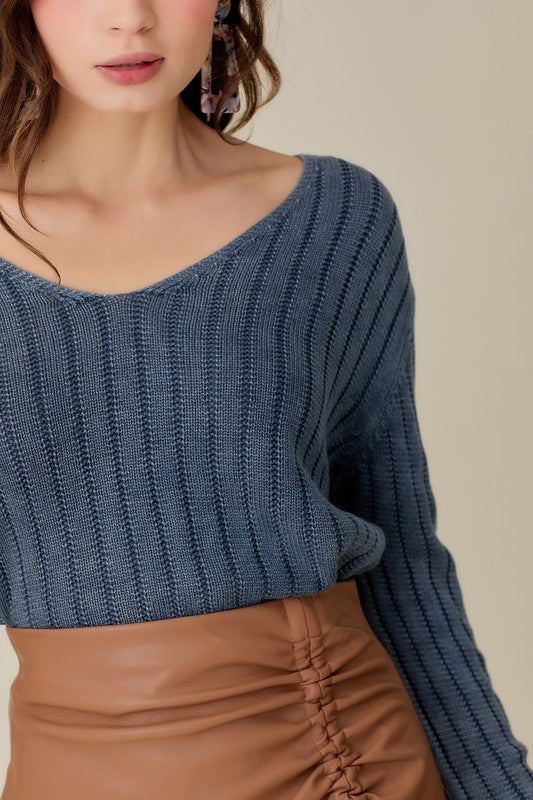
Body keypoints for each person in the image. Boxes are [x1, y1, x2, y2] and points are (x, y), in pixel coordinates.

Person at [0, 1, 530, 799]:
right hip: (78, 767)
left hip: (346, 758)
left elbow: (404, 558)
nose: (130, 19)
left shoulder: (335, 219)